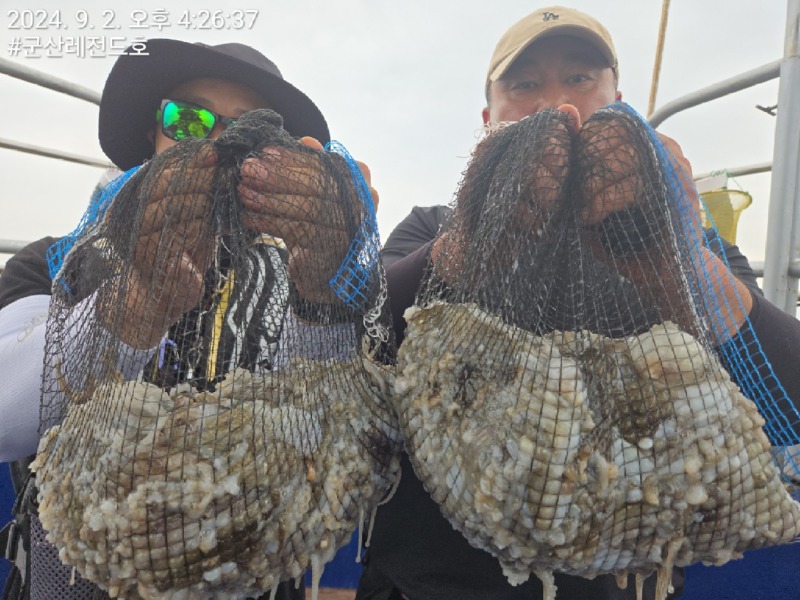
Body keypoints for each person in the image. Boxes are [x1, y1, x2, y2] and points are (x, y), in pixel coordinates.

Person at [356, 6, 800, 600]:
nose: (558, 107)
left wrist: (678, 265)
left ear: (621, 103)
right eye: (525, 85)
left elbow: (780, 390)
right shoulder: (431, 230)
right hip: (423, 585)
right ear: (488, 120)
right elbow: (361, 340)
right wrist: (462, 250)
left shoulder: (683, 244)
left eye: (581, 79)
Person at [0, 38, 375, 600]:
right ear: (152, 135)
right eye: (189, 119)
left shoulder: (299, 283)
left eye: (252, 130)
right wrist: (136, 304)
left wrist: (325, 288)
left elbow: (341, 435)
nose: (220, 144)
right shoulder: (56, 263)